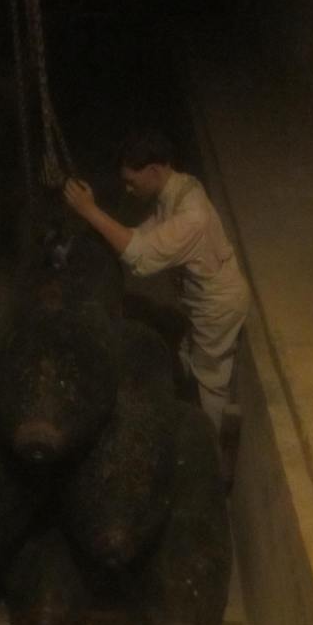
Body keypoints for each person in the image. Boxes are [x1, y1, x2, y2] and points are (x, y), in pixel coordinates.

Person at [63, 130, 250, 436]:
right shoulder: (179, 187)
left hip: (216, 304)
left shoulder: (193, 217)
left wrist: (89, 212)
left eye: (132, 182)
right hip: (200, 299)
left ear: (153, 170)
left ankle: (211, 446)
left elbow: (141, 258)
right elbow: (147, 234)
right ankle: (191, 412)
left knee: (211, 381)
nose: (128, 188)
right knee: (190, 357)